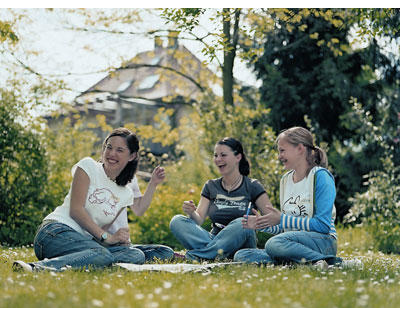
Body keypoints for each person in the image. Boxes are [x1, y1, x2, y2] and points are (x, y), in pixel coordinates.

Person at [13, 128, 174, 272]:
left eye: (119, 150)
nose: (111, 154)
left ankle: (92, 259)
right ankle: (36, 268)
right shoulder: (88, 166)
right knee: (102, 254)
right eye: (109, 147)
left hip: (83, 244)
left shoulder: (125, 193)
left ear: (132, 156)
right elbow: (76, 211)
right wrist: (106, 237)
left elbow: (99, 231)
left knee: (137, 255)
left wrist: (117, 241)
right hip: (54, 233)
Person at [234, 127, 339, 268]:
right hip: (291, 243)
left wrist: (282, 219)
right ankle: (303, 264)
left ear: (300, 149)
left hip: (322, 241)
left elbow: (323, 225)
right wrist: (263, 224)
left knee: (274, 244)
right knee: (242, 255)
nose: (279, 156)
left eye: (282, 150)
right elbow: (286, 228)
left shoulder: (320, 177)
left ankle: (332, 263)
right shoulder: (285, 180)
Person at [169, 137, 273, 261]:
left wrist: (258, 221)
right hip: (215, 238)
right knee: (177, 221)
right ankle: (217, 254)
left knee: (242, 222)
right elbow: (199, 220)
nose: (218, 159)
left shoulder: (253, 186)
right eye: (216, 155)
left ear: (238, 157)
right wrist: (191, 212)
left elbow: (273, 218)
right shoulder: (210, 186)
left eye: (223, 155)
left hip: (243, 241)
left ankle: (198, 255)